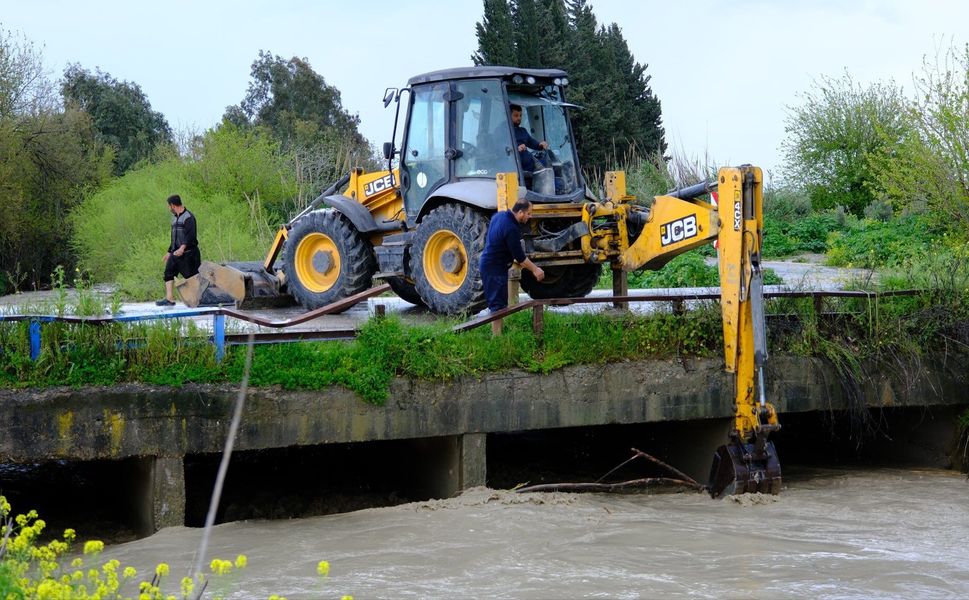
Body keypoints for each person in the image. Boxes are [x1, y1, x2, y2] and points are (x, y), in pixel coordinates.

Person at [479, 199, 545, 335]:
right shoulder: (511, 228)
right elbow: (520, 258)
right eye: (528, 213)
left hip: (490, 264)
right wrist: (536, 269)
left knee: (499, 304)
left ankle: (498, 335)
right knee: (497, 306)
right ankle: (497, 339)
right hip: (494, 268)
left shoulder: (499, 216)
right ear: (520, 212)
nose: (530, 216)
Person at [156, 194, 200, 306]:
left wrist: (182, 248)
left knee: (192, 277)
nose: (168, 208)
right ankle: (169, 299)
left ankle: (198, 300)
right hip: (175, 253)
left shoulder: (189, 217)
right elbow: (174, 238)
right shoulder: (174, 218)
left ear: (173, 205)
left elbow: (191, 236)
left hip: (189, 254)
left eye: (168, 206)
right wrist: (169, 252)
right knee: (168, 273)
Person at [510, 103, 549, 172]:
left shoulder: (522, 131)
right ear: (508, 115)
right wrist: (516, 149)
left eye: (520, 115)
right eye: (516, 115)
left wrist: (540, 144)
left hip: (529, 167)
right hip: (515, 168)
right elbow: (500, 149)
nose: (519, 118)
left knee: (549, 162)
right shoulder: (502, 130)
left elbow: (531, 142)